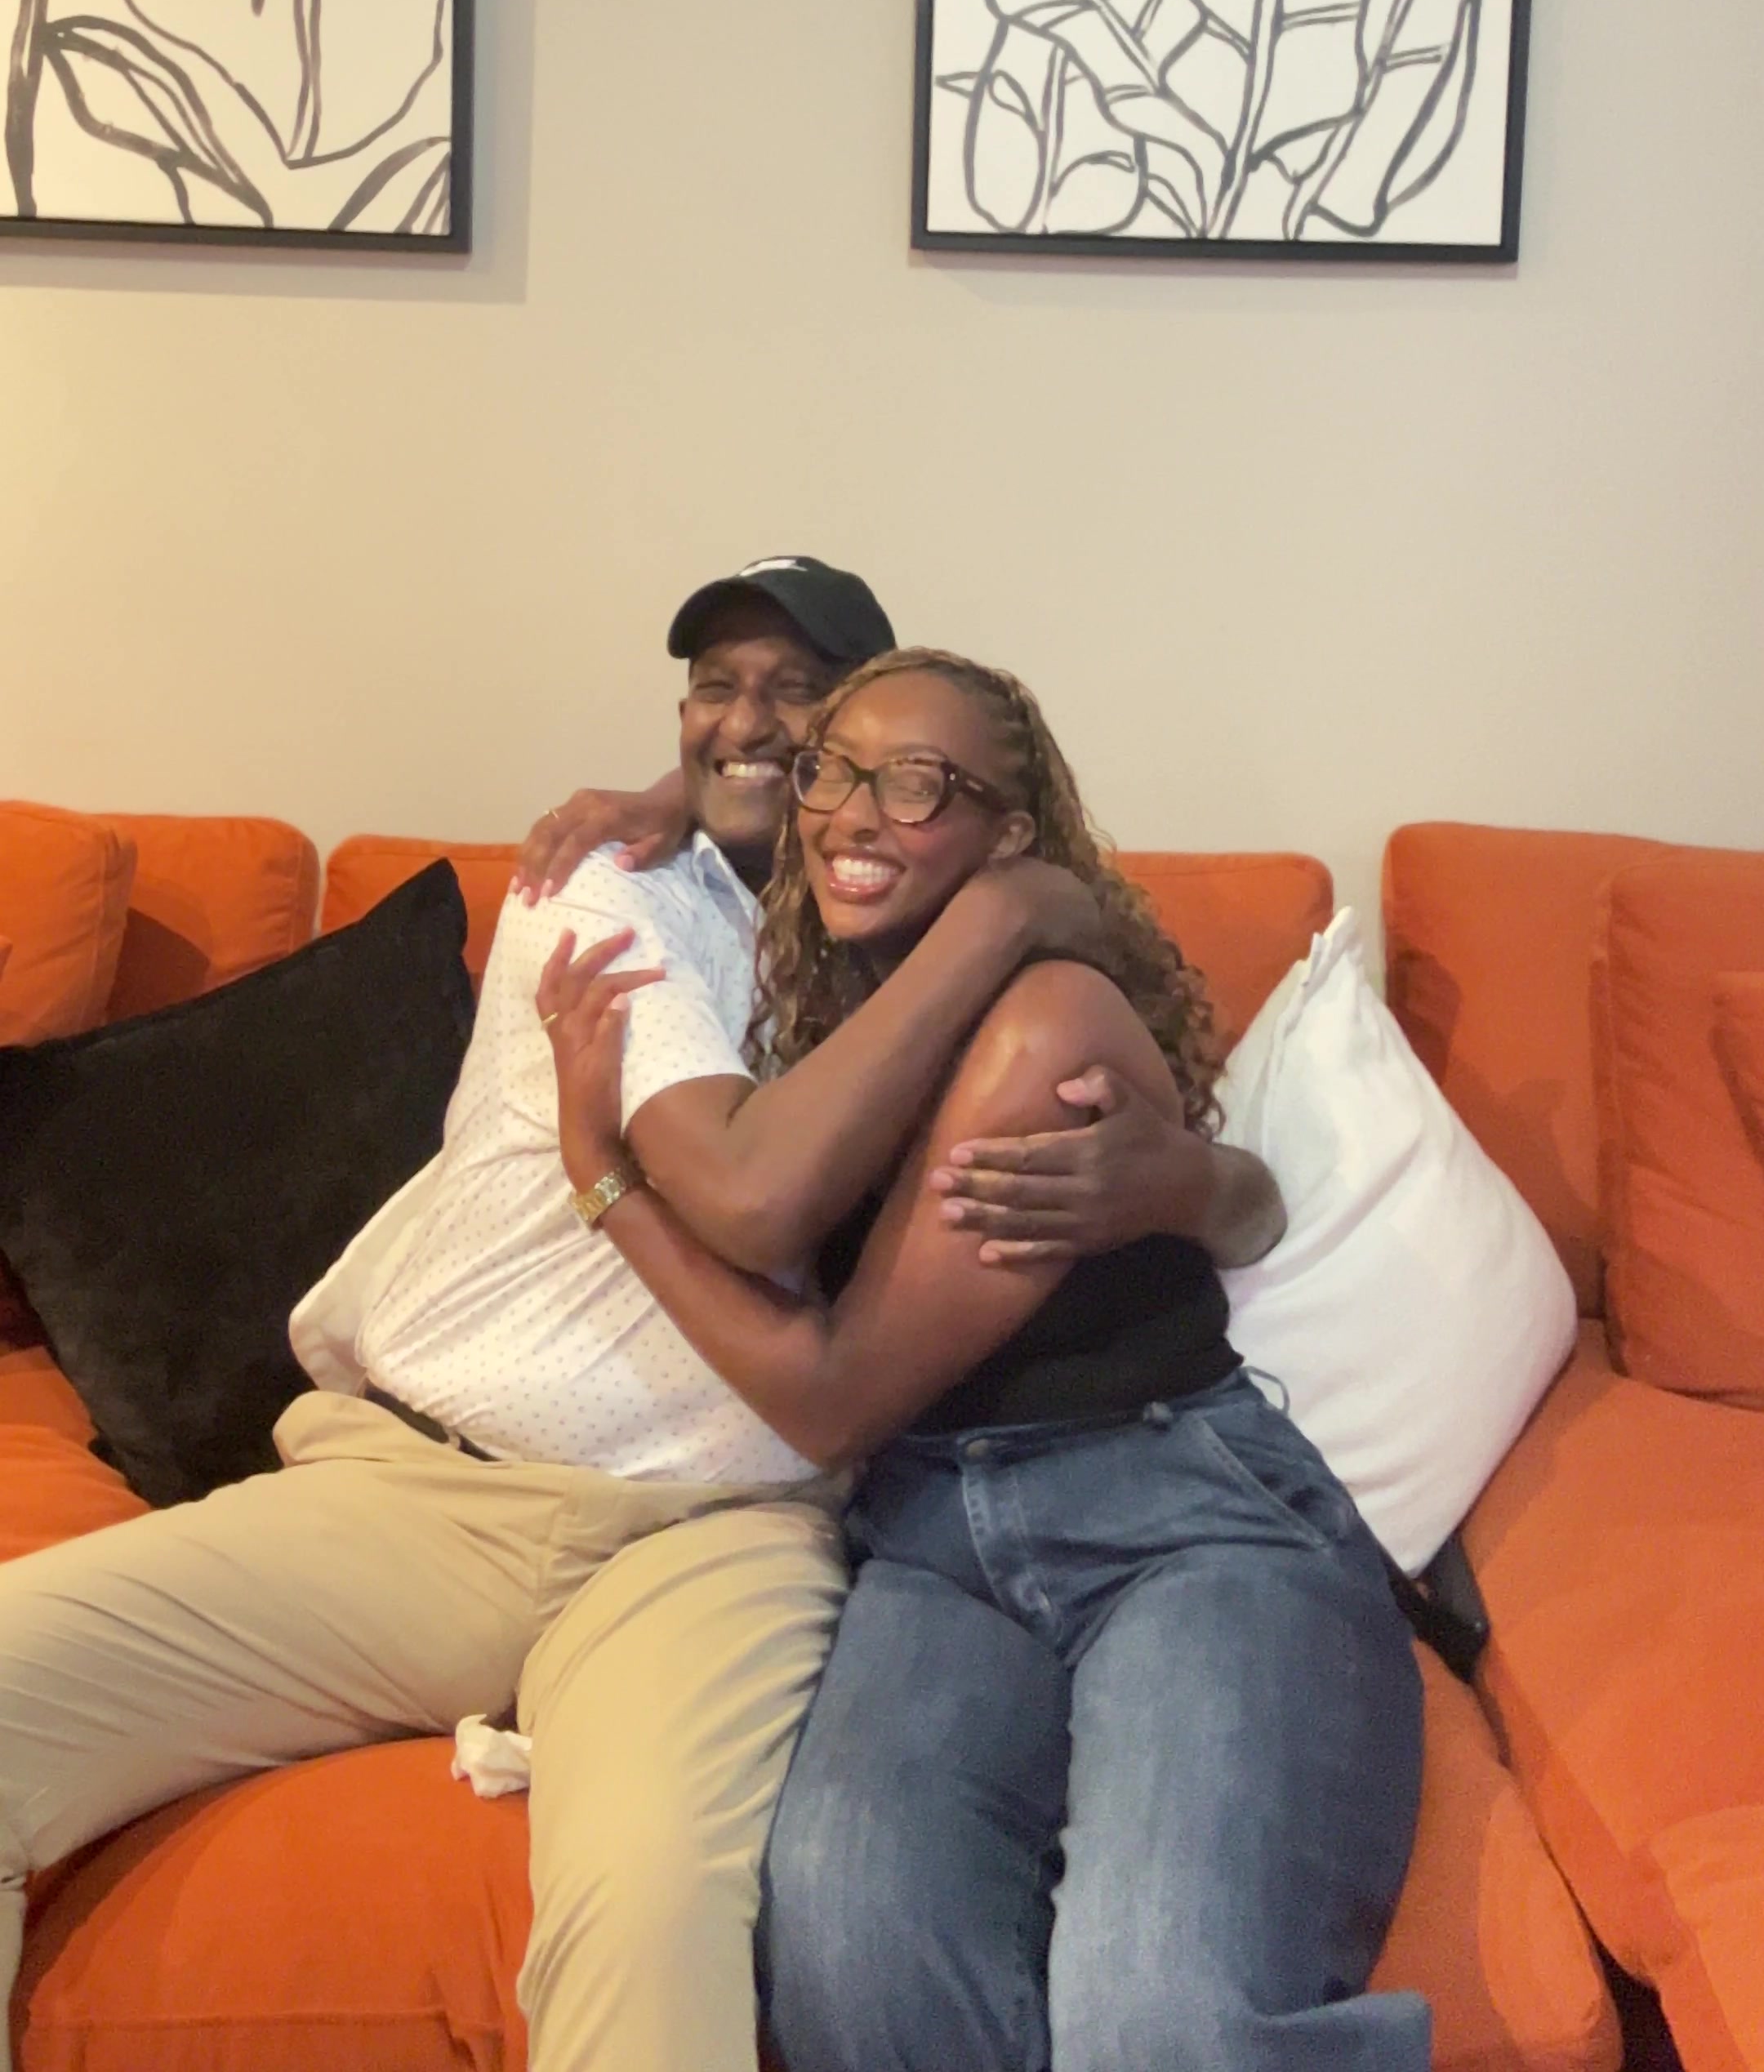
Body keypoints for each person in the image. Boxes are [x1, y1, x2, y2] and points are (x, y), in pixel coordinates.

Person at [0, 557, 1227, 2072]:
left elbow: (1178, 1164)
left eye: (804, 702)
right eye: (715, 689)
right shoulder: (611, 888)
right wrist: (964, 893)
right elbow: (753, 1191)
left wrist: (1175, 1144)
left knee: (650, 1917)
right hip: (430, 1491)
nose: (750, 725)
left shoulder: (906, 952)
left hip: (720, 1532)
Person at [540, 645, 1429, 2072]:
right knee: (852, 1966)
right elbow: (749, 783)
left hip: (1176, 1519)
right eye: (837, 772)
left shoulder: (1042, 1019)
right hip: (931, 1542)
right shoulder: (837, 998)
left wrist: (603, 1176)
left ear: (1010, 835)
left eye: (918, 785)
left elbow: (830, 1395)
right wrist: (669, 795)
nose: (855, 814)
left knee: (1154, 2014)